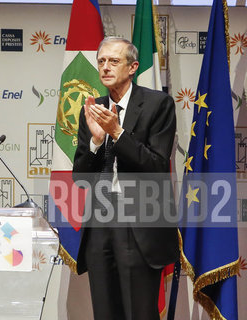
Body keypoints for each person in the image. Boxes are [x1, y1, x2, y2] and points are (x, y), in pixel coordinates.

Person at [73, 37, 179, 320]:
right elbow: (81, 179)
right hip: (99, 224)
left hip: (138, 226)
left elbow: (157, 166)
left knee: (138, 313)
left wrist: (117, 134)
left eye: (113, 61)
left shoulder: (159, 105)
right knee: (105, 312)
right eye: (101, 61)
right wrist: (96, 141)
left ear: (133, 67)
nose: (105, 67)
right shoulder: (93, 109)